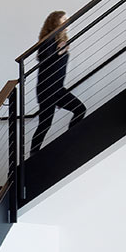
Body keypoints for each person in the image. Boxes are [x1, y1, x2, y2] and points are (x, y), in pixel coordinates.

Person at [31, 10, 87, 152]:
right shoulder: (48, 40)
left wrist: (61, 51)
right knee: (45, 124)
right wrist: (60, 52)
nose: (67, 21)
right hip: (47, 89)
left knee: (79, 109)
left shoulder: (60, 40)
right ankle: (33, 156)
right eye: (63, 19)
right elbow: (46, 61)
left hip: (57, 88)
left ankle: (69, 141)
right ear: (55, 22)